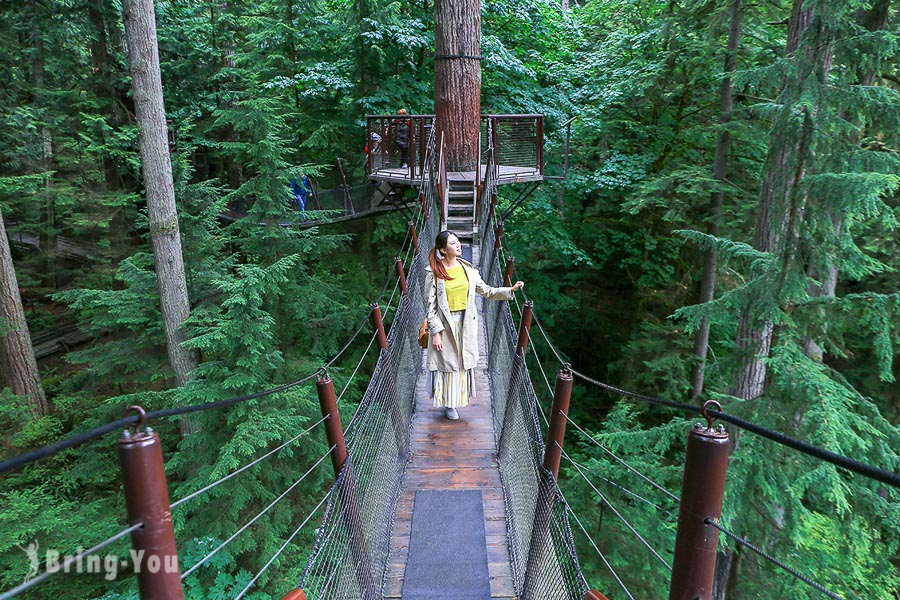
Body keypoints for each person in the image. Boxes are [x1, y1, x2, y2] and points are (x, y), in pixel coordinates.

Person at [425, 231, 524, 420]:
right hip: (445, 324)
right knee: (447, 364)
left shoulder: (469, 270)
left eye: (458, 242)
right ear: (443, 250)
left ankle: (457, 399)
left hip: (466, 322)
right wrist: (435, 332)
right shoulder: (434, 273)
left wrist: (509, 290)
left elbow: (486, 291)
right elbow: (430, 305)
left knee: (462, 362)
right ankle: (448, 403)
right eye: (453, 243)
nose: (458, 245)